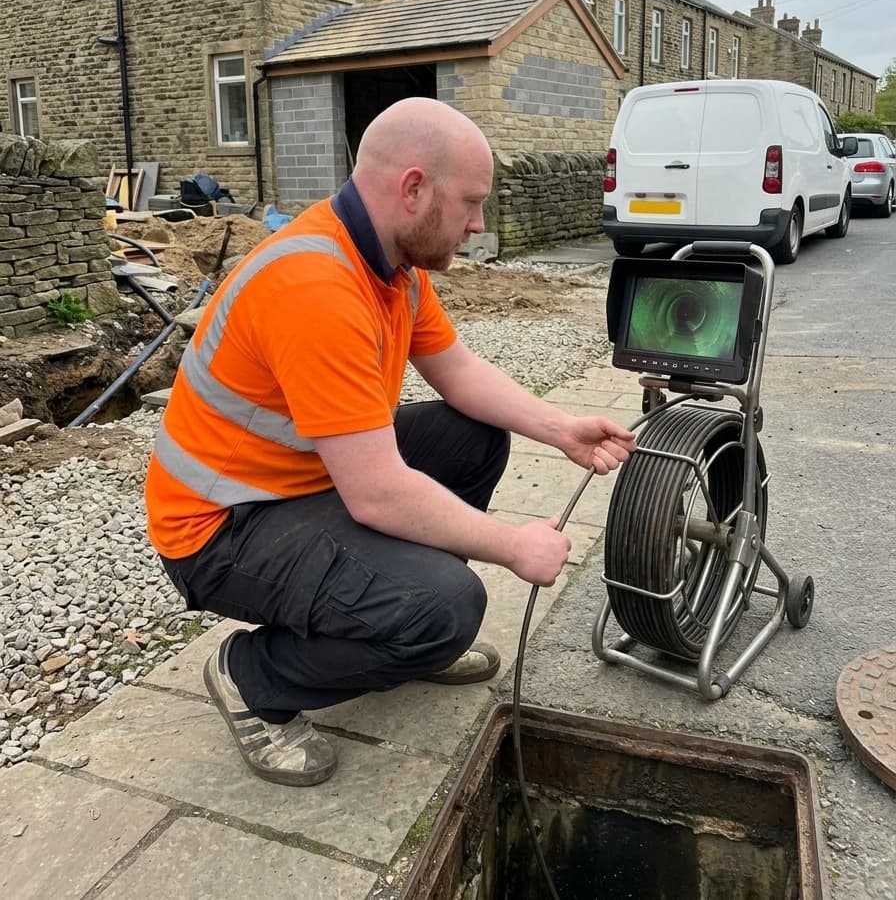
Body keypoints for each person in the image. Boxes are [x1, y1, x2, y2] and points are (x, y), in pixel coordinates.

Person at [143, 97, 636, 788]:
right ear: (413, 189)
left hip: (302, 478)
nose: (477, 224)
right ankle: (252, 676)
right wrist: (514, 545)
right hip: (220, 526)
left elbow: (457, 372)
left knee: (471, 436)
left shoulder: (393, 268)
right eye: (471, 203)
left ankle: (395, 618)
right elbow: (377, 494)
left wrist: (562, 430)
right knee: (449, 606)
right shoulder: (316, 286)